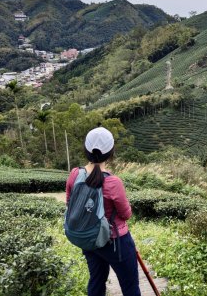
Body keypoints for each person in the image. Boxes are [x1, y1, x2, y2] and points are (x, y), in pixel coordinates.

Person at [65, 127, 141, 296]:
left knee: (96, 282)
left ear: (86, 150)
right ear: (110, 152)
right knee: (130, 287)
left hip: (89, 240)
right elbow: (126, 214)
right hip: (115, 242)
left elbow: (70, 204)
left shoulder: (75, 174)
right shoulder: (113, 182)